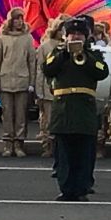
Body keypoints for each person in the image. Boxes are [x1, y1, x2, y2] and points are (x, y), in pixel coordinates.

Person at [42, 16, 109, 202]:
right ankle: (66, 188)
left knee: (84, 152)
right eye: (72, 34)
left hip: (84, 108)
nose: (76, 37)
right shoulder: (58, 53)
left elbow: (102, 71)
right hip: (63, 109)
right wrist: (64, 54)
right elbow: (47, 69)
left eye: (80, 34)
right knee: (64, 152)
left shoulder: (93, 54)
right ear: (66, 36)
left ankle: (81, 188)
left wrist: (85, 57)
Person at [0, 8, 36, 157]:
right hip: (5, 81)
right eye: (17, 18)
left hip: (22, 81)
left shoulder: (28, 38)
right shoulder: (2, 38)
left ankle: (19, 143)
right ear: (11, 20)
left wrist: (32, 82)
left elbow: (32, 61)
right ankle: (7, 144)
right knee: (7, 114)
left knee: (21, 114)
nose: (19, 22)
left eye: (21, 18)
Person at [36, 16, 67, 158]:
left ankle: (62, 147)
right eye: (62, 29)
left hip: (66, 89)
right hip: (48, 89)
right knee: (48, 119)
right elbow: (40, 69)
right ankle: (48, 146)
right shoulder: (45, 46)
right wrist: (39, 90)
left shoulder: (70, 46)